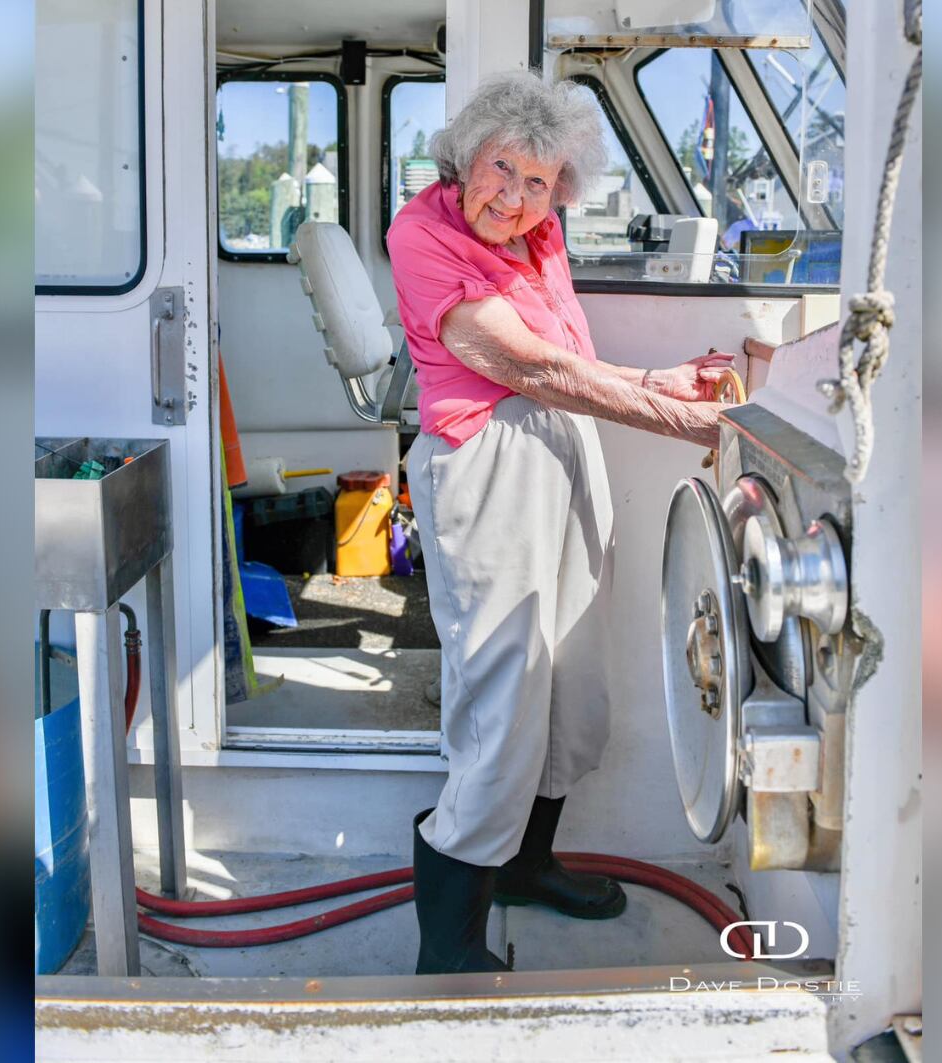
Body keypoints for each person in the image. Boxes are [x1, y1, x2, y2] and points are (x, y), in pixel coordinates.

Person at [386, 71, 734, 974]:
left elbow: (568, 358)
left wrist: (660, 384)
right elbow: (523, 366)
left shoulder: (543, 236)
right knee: (504, 694)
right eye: (503, 167)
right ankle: (449, 949)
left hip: (564, 447)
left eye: (539, 181)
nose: (516, 195)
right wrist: (673, 416)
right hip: (489, 460)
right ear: (467, 156)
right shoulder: (421, 233)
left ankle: (526, 865)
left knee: (573, 687)